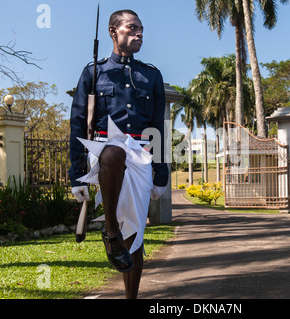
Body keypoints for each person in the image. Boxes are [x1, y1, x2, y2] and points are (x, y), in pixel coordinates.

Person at [69, 9, 168, 299]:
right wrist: (76, 174)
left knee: (135, 231)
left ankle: (131, 295)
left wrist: (160, 172)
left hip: (140, 156)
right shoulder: (92, 72)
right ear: (113, 31)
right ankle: (110, 230)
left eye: (141, 30)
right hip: (101, 151)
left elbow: (158, 128)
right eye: (132, 28)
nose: (139, 34)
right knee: (114, 152)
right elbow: (77, 122)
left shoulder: (151, 75)